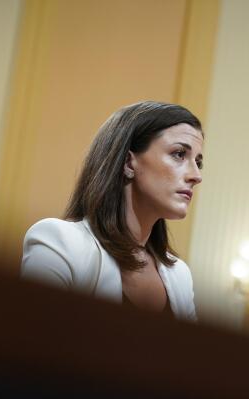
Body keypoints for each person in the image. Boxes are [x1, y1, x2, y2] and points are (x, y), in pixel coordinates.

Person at [21, 101, 203, 322]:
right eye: (179, 154)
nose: (196, 175)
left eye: (198, 162)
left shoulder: (180, 276)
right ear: (128, 162)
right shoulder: (59, 242)